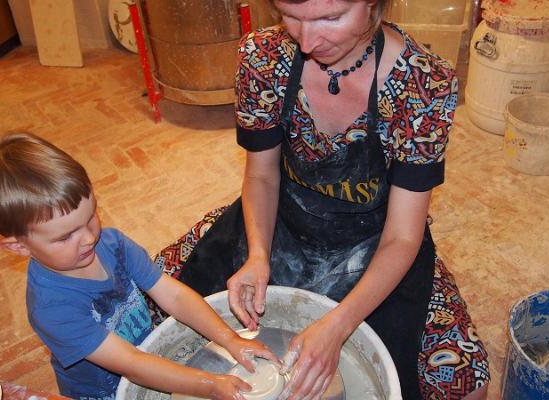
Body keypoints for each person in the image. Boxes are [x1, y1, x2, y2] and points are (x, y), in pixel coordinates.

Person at [167, 0, 490, 399]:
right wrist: (258, 256)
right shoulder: (263, 56)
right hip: (283, 220)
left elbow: (403, 237)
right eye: (292, 17)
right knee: (154, 297)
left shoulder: (424, 84)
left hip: (377, 240)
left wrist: (339, 326)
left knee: (465, 382)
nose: (306, 40)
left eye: (329, 18)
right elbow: (262, 177)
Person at [0, 132, 279, 400]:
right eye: (66, 236)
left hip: (144, 351)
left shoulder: (111, 242)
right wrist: (211, 385)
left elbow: (173, 295)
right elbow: (131, 364)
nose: (89, 238)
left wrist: (230, 339)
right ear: (19, 246)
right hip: (104, 391)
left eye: (91, 217)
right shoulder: (53, 309)